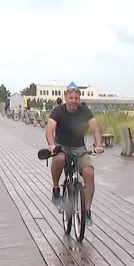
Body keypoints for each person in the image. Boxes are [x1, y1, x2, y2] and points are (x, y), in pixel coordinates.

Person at [45, 84, 103, 225]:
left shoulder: (85, 111)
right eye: (70, 98)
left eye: (76, 98)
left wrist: (98, 144)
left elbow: (95, 129)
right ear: (65, 97)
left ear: (79, 98)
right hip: (62, 146)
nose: (73, 101)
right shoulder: (58, 111)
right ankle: (56, 189)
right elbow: (49, 129)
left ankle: (87, 211)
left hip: (79, 148)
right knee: (59, 158)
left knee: (89, 173)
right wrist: (52, 145)